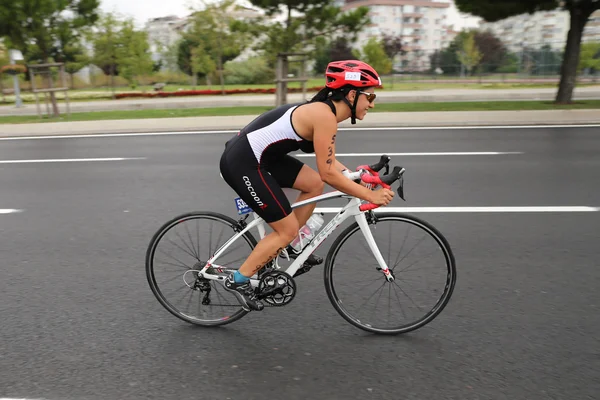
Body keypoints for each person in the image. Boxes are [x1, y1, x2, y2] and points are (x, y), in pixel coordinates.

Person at [219, 60, 395, 311]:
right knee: (285, 228)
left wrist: (359, 176)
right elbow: (329, 175)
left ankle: (287, 247)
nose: (373, 103)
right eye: (371, 96)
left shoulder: (325, 113)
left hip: (262, 159)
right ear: (353, 94)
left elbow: (330, 163)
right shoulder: (324, 116)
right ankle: (239, 279)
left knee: (311, 184)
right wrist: (371, 197)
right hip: (243, 163)